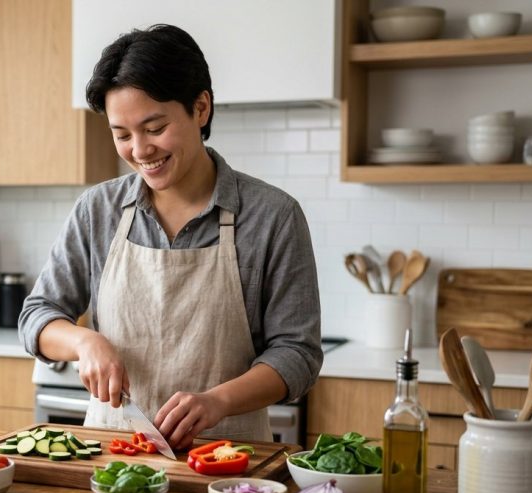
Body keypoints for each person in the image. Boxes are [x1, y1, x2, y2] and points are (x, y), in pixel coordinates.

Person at [18, 24, 321, 448]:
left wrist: (218, 401)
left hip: (226, 459)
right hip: (115, 459)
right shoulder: (97, 210)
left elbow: (297, 353)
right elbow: (37, 315)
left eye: (155, 128)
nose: (140, 150)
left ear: (201, 108)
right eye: (122, 135)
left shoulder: (273, 216)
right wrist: (84, 342)